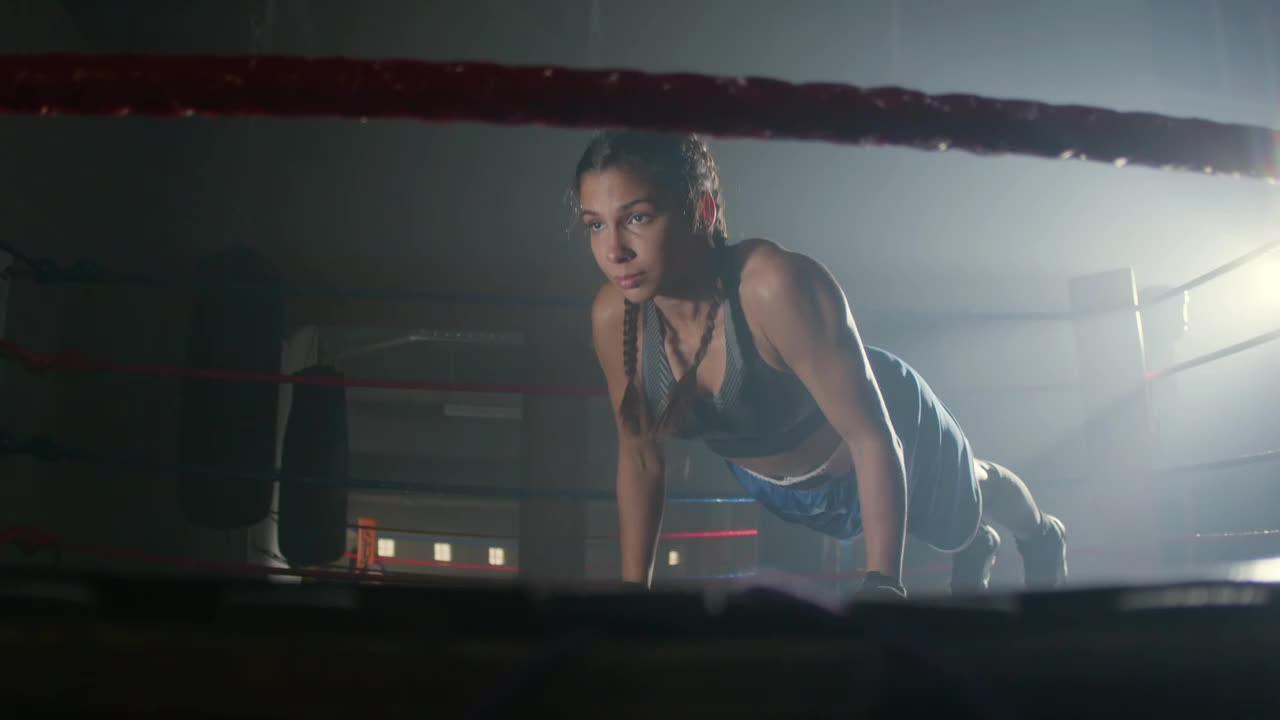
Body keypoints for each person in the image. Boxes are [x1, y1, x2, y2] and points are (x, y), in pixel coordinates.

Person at [572, 130, 1067, 598]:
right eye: (596, 224)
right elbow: (639, 455)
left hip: (890, 439)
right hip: (788, 493)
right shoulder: (616, 317)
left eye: (637, 218)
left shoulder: (774, 286)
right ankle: (975, 541)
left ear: (701, 210)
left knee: (963, 510)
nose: (614, 250)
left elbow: (873, 436)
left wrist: (883, 584)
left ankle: (1041, 535)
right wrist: (635, 595)